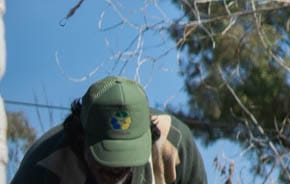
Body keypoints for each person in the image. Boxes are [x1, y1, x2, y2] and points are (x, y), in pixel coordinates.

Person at [11, 76, 207, 184]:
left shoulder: (174, 145)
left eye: (126, 161)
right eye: (105, 162)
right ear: (81, 139)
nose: (115, 171)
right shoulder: (44, 167)